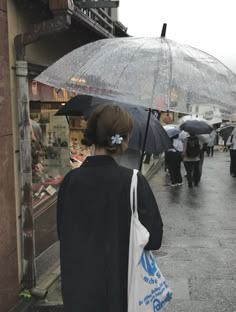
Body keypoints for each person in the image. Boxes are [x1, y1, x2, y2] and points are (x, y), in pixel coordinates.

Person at [57, 104, 163, 312]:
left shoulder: (70, 181)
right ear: (123, 140)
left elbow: (63, 233)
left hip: (78, 290)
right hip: (121, 290)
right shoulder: (133, 181)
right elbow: (154, 240)